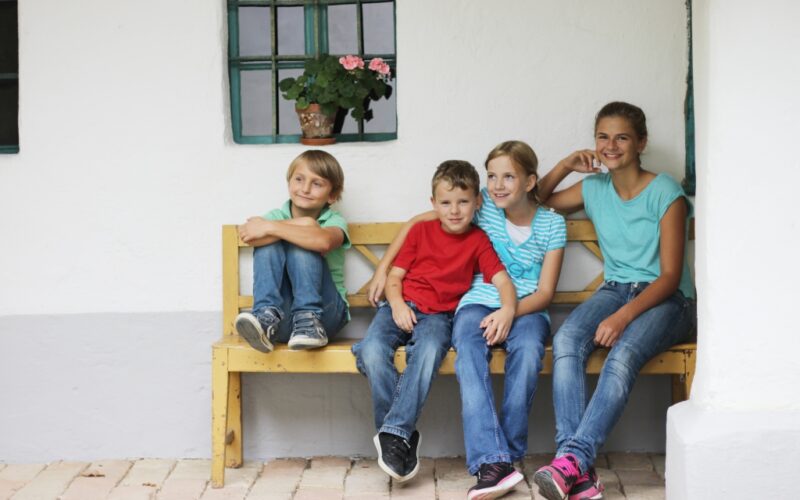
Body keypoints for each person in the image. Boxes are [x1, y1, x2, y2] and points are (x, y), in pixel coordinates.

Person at [369, 141, 566, 499]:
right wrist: (383, 269)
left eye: (508, 177)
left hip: (526, 308)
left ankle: (504, 457)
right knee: (470, 355)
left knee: (527, 353)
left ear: (529, 180)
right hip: (475, 304)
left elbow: (545, 292)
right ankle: (491, 462)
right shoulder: (483, 207)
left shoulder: (552, 225)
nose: (498, 185)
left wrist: (507, 312)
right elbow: (420, 220)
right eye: (492, 176)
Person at [532, 102, 696, 500]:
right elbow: (534, 204)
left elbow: (670, 276)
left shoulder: (666, 192)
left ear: (640, 142)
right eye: (602, 137)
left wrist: (622, 317)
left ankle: (571, 459)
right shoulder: (594, 188)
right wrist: (567, 164)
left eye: (621, 137)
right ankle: (575, 469)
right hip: (616, 289)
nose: (610, 145)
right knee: (569, 339)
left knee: (622, 354)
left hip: (669, 300)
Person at [352, 160, 516, 484]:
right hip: (400, 306)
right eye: (445, 203)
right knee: (371, 351)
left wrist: (509, 308)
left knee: (426, 353)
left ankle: (394, 433)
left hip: (440, 317)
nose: (454, 210)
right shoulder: (420, 230)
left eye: (463, 202)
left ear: (477, 202)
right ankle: (400, 434)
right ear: (433, 204)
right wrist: (396, 305)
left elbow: (503, 281)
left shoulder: (478, 240)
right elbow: (394, 278)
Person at [235, 150, 350, 352]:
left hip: (326, 316)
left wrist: (270, 227)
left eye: (317, 183)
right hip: (284, 320)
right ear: (289, 183)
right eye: (299, 179)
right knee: (269, 245)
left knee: (303, 244)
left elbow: (323, 242)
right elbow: (251, 235)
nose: (305, 189)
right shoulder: (275, 215)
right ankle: (265, 318)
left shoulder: (334, 221)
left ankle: (308, 318)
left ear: (332, 195)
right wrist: (303, 225)